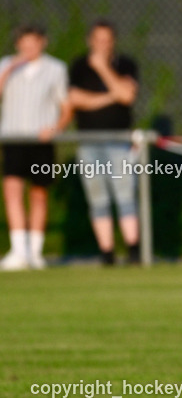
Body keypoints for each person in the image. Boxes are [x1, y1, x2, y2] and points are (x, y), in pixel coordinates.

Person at [67, 19, 140, 265]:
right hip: (88, 141)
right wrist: (113, 94)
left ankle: (133, 250)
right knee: (97, 198)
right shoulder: (79, 66)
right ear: (90, 41)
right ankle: (107, 253)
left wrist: (102, 69)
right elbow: (75, 99)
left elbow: (128, 96)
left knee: (125, 194)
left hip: (119, 140)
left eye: (107, 40)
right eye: (98, 40)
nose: (103, 45)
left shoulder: (125, 64)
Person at [0, 24, 72, 270]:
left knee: (39, 194)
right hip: (12, 139)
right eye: (25, 42)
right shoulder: (5, 65)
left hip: (41, 142)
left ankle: (35, 252)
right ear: (18, 44)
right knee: (12, 191)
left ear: (43, 43)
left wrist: (54, 129)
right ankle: (18, 251)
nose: (29, 48)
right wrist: (10, 69)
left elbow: (66, 107)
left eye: (34, 42)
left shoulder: (56, 69)